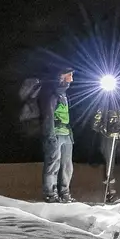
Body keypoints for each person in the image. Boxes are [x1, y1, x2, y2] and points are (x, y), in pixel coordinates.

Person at [40, 67, 76, 203]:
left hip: (66, 134)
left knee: (67, 166)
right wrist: (50, 135)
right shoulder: (52, 94)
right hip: (55, 134)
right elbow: (48, 116)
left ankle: (65, 193)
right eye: (69, 75)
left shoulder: (63, 95)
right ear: (62, 76)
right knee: (52, 165)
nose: (71, 79)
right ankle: (50, 194)